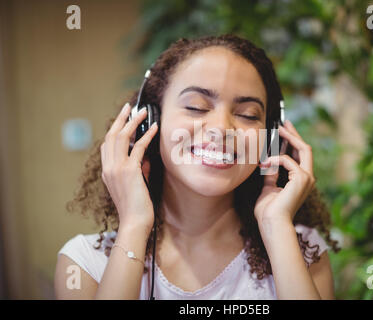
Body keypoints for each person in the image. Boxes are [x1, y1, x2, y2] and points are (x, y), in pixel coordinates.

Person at [54, 34, 339, 300]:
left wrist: (276, 227)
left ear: (272, 139)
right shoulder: (86, 264)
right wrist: (134, 226)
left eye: (247, 114)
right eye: (196, 107)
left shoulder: (301, 250)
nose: (221, 128)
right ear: (149, 123)